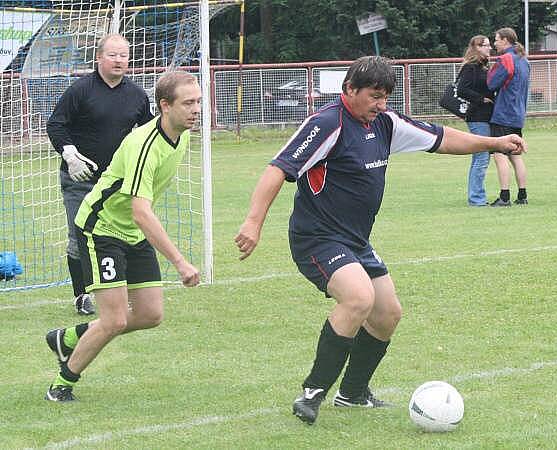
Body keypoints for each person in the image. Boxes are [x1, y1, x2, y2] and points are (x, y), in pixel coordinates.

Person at [235, 56, 526, 425]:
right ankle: (312, 391)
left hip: (355, 240)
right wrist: (253, 222)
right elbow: (279, 168)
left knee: (388, 314)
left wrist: (495, 142)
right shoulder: (327, 123)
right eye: (374, 96)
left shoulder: (386, 123)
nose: (381, 105)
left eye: (386, 97)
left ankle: (353, 394)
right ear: (349, 90)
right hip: (317, 237)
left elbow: (442, 138)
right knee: (358, 298)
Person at [44, 71, 201, 402]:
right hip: (101, 228)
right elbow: (141, 211)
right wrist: (180, 262)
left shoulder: (183, 135)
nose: (196, 109)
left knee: (150, 314)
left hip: (130, 230)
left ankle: (69, 338)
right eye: (188, 103)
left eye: (198, 102)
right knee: (113, 319)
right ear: (164, 106)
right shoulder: (143, 144)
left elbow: (138, 215)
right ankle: (62, 383)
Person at [47, 34, 153, 315]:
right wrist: (70, 155)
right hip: (80, 180)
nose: (119, 60)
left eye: (123, 55)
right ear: (99, 58)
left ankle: (126, 293)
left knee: (123, 235)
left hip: (118, 183)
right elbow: (56, 124)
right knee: (78, 236)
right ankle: (81, 295)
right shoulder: (80, 90)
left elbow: (148, 134)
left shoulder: (138, 96)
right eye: (112, 55)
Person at [487, 27, 530, 206]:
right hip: (518, 115)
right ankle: (522, 196)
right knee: (515, 156)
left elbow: (491, 83)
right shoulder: (524, 60)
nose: (494, 43)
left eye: (496, 40)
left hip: (503, 114)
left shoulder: (505, 59)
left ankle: (504, 197)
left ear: (505, 40)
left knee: (499, 154)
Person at [457, 35, 495, 206]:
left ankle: (475, 196)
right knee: (482, 157)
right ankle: (477, 198)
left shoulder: (482, 67)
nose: (490, 48)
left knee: (479, 157)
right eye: (486, 45)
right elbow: (462, 90)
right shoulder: (471, 67)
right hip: (477, 116)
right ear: (477, 47)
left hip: (485, 116)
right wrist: (481, 99)